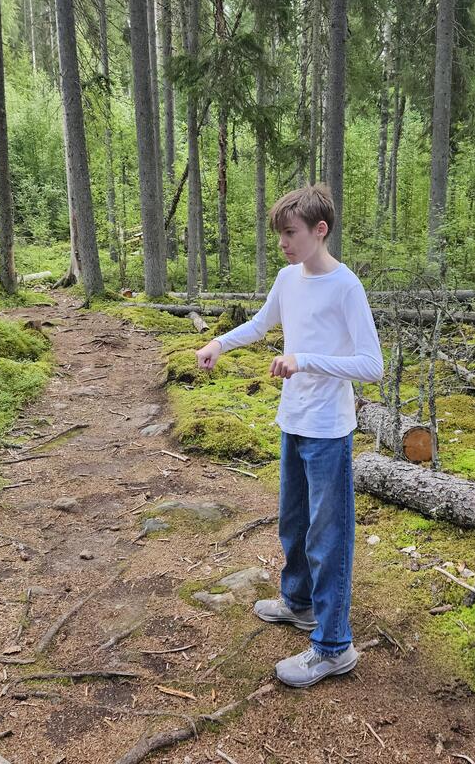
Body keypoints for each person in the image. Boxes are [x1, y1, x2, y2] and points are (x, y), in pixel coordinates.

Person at [194, 184, 383, 688]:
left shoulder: (346, 287)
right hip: (292, 423)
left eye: (290, 233)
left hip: (329, 431)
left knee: (329, 537)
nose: (283, 242)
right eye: (279, 233)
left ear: (320, 231)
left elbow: (372, 365)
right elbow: (260, 323)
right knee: (293, 523)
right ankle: (298, 603)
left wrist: (306, 360)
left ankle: (334, 646)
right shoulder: (286, 278)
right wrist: (219, 342)